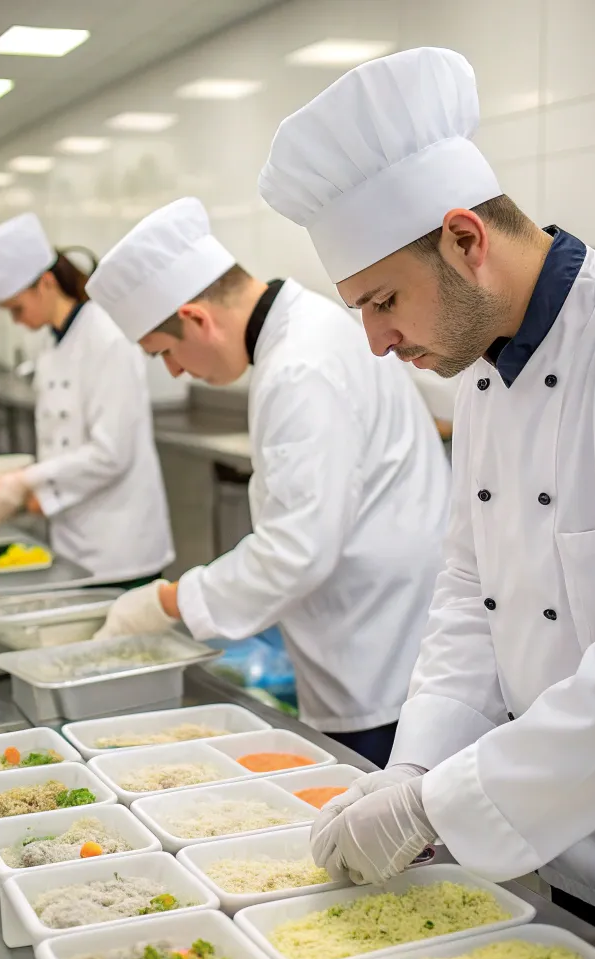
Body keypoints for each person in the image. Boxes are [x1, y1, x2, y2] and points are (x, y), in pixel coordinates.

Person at [258, 45, 595, 959]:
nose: (376, 341)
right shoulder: (483, 366)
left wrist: (437, 805)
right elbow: (469, 604)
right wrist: (411, 770)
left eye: (382, 301)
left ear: (463, 237)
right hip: (555, 853)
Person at [85, 197, 450, 766]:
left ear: (197, 318)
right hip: (381, 628)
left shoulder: (298, 367)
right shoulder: (308, 324)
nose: (176, 372)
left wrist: (166, 601)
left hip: (376, 651)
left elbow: (295, 551)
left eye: (165, 353)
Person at [0, 213, 174, 582]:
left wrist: (27, 481)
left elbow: (111, 452)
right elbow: (65, 441)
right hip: (72, 534)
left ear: (45, 283)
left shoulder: (107, 337)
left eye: (16, 308)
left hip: (119, 543)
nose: (16, 321)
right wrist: (35, 490)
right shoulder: (53, 341)